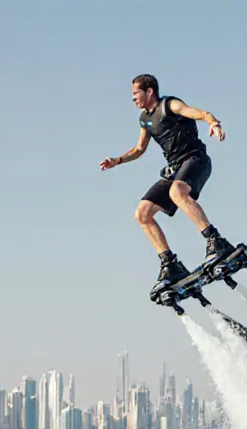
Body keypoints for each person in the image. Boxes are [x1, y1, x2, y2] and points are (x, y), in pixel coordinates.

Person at [99, 73, 238, 300]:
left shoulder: (170, 105)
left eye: (136, 93)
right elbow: (139, 149)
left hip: (195, 159)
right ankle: (169, 263)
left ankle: (215, 240)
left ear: (149, 91)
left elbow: (200, 113)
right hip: (174, 168)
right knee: (142, 213)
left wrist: (213, 122)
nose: (133, 98)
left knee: (176, 192)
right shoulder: (144, 119)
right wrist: (117, 160)